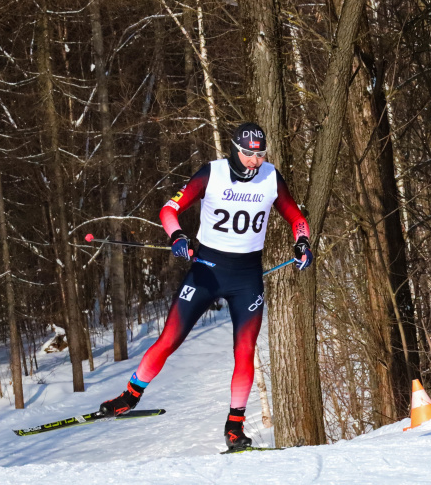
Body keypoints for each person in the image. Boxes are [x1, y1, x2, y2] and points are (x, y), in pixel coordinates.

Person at [99, 122, 313, 450]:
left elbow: (296, 217)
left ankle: (234, 427)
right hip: (206, 270)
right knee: (169, 339)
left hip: (247, 278)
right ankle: (130, 395)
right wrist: (177, 236)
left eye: (259, 154)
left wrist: (302, 243)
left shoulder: (271, 177)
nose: (254, 161)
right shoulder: (211, 172)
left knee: (244, 353)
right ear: (234, 150)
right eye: (247, 154)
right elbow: (169, 209)